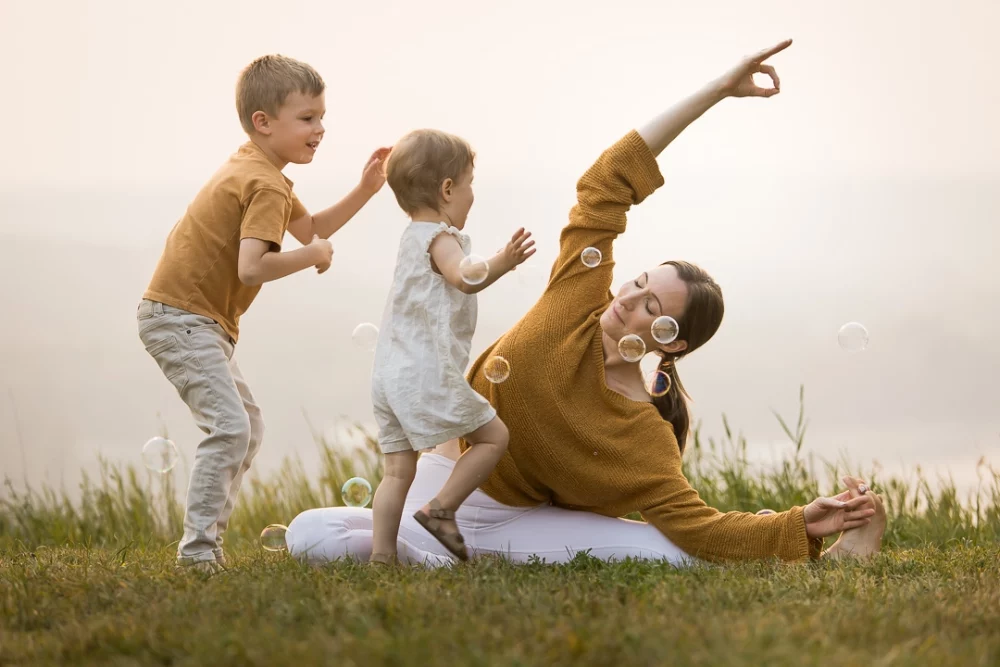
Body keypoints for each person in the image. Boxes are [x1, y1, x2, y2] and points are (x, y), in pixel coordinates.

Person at [286, 39, 886, 567]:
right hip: (442, 493)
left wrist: (804, 519)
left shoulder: (643, 436)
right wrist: (718, 91)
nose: (628, 300)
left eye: (653, 307)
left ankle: (835, 557)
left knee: (680, 555)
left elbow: (700, 528)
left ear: (673, 342)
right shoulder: (577, 298)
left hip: (526, 522)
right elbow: (607, 181)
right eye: (638, 283)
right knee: (310, 535)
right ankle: (441, 556)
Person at [137, 54, 390, 573]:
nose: (320, 128)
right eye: (307, 118)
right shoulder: (265, 183)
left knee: (245, 425)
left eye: (322, 116)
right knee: (231, 429)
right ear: (263, 122)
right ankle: (198, 555)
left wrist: (365, 189)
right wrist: (315, 256)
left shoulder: (257, 167)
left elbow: (311, 224)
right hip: (181, 318)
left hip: (193, 319)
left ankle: (209, 545)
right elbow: (253, 267)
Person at [367, 129, 535, 564]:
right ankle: (442, 509)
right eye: (469, 183)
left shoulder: (410, 237)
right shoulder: (441, 239)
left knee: (397, 471)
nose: (471, 193)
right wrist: (504, 259)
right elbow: (464, 276)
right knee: (494, 437)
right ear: (447, 189)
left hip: (389, 375)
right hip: (424, 372)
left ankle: (381, 558)